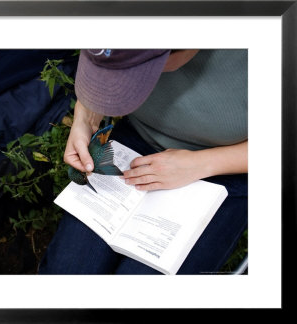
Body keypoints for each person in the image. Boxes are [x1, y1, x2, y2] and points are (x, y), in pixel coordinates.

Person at [38, 49, 248, 274]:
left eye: (140, 70)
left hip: (224, 168)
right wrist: (86, 116)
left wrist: (201, 163)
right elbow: (109, 65)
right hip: (135, 141)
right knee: (67, 272)